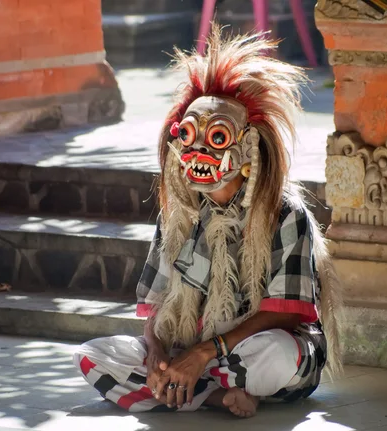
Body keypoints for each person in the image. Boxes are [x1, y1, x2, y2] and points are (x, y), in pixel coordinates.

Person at [74, 25, 343, 418]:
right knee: (92, 356)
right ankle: (213, 394)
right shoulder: (178, 215)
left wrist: (204, 353)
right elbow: (156, 308)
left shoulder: (285, 213)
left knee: (279, 355)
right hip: (192, 349)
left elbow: (287, 313)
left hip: (249, 351)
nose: (197, 149)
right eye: (188, 135)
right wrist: (156, 355)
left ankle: (189, 387)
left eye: (216, 138)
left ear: (248, 147)